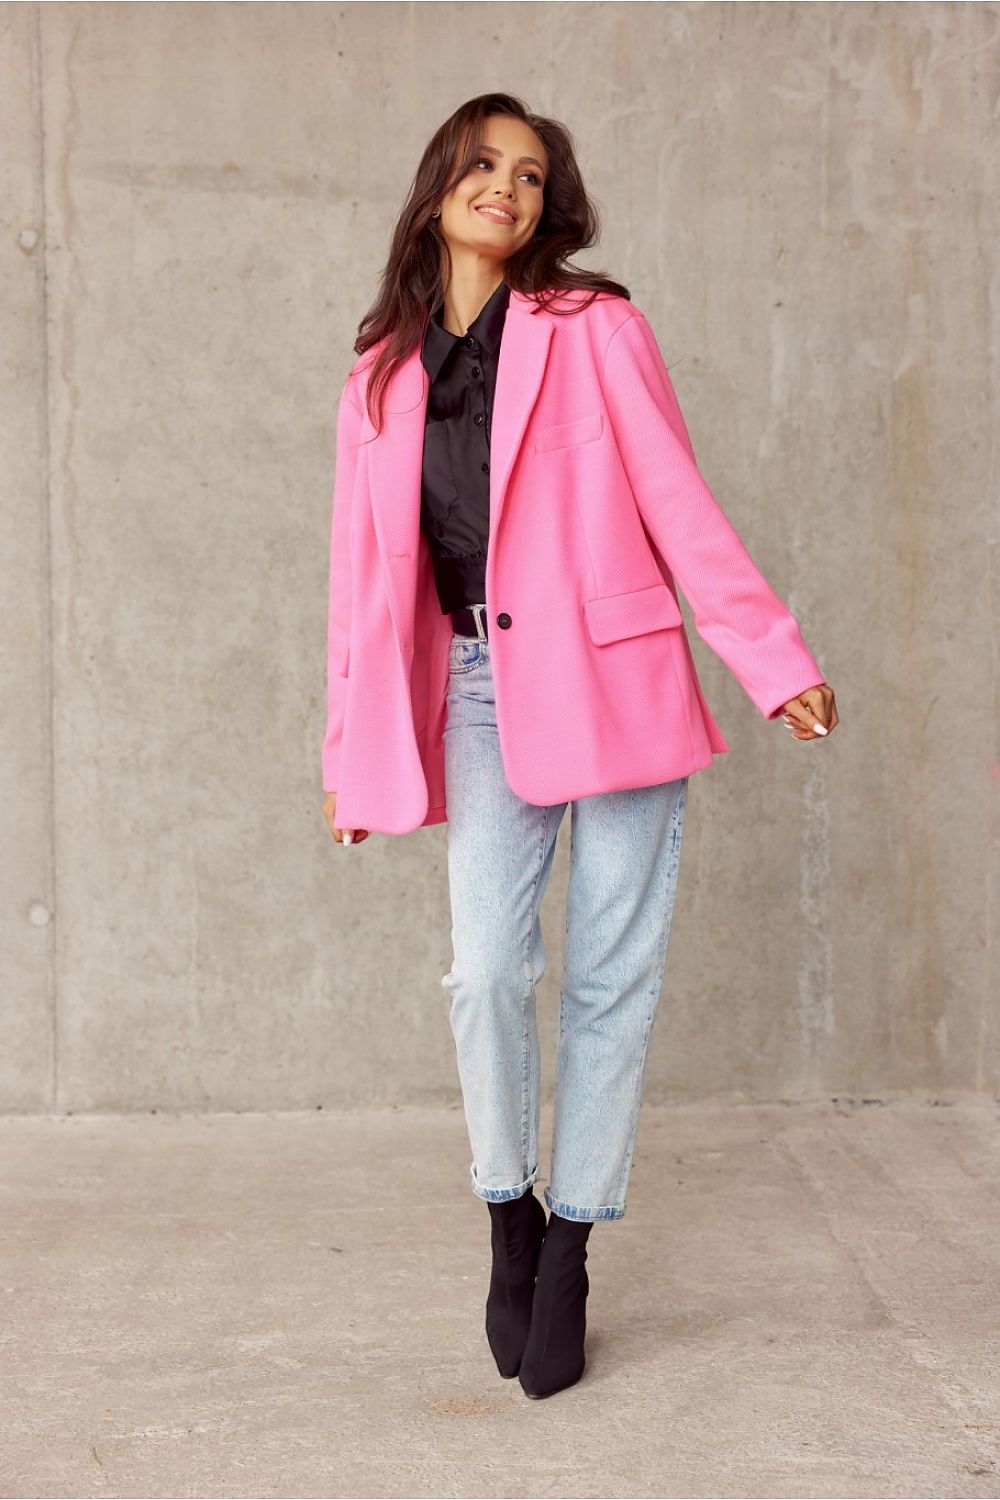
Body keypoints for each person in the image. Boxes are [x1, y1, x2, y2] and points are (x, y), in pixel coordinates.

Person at [320, 92, 838, 1400]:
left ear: (552, 208)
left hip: (620, 681)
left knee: (610, 980)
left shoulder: (594, 327)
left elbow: (675, 497)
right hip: (480, 685)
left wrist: (768, 659)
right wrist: (352, 752)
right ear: (438, 183)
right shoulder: (378, 369)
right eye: (484, 165)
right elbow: (358, 584)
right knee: (489, 970)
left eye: (532, 175)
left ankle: (570, 1247)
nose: (508, 187)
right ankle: (508, 1210)